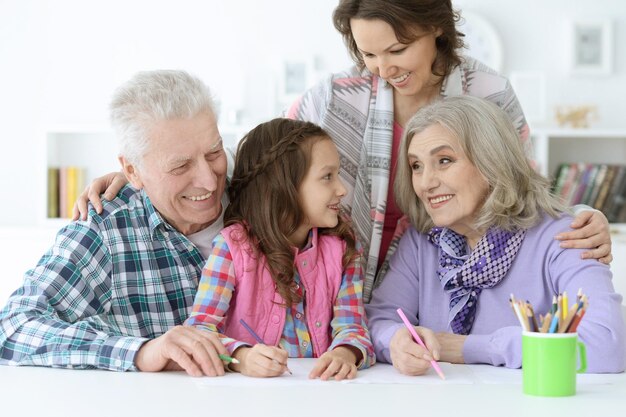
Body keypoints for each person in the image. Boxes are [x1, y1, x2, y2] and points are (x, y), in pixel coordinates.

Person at [73, 0, 612, 302]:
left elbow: (523, 185)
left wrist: (582, 219)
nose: (384, 68)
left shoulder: (488, 92)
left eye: (398, 49)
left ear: (436, 29)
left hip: (451, 281)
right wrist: (146, 177)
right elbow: (266, 167)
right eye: (369, 53)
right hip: (342, 287)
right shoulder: (332, 97)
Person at [365, 96, 625, 374]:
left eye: (444, 160)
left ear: (491, 162)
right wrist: (395, 341)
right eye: (416, 166)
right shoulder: (422, 240)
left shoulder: (566, 236)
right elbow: (378, 319)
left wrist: (465, 348)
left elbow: (606, 347)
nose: (426, 182)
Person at [0, 70, 233, 376]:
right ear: (132, 171)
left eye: (214, 152)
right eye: (180, 166)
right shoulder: (107, 231)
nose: (208, 181)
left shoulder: (264, 196)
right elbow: (13, 328)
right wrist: (140, 352)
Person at [185, 118, 375, 380]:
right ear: (283, 186)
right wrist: (242, 358)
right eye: (327, 177)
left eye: (338, 174)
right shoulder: (232, 247)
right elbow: (199, 330)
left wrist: (345, 353)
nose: (342, 189)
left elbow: (353, 326)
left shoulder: (343, 250)